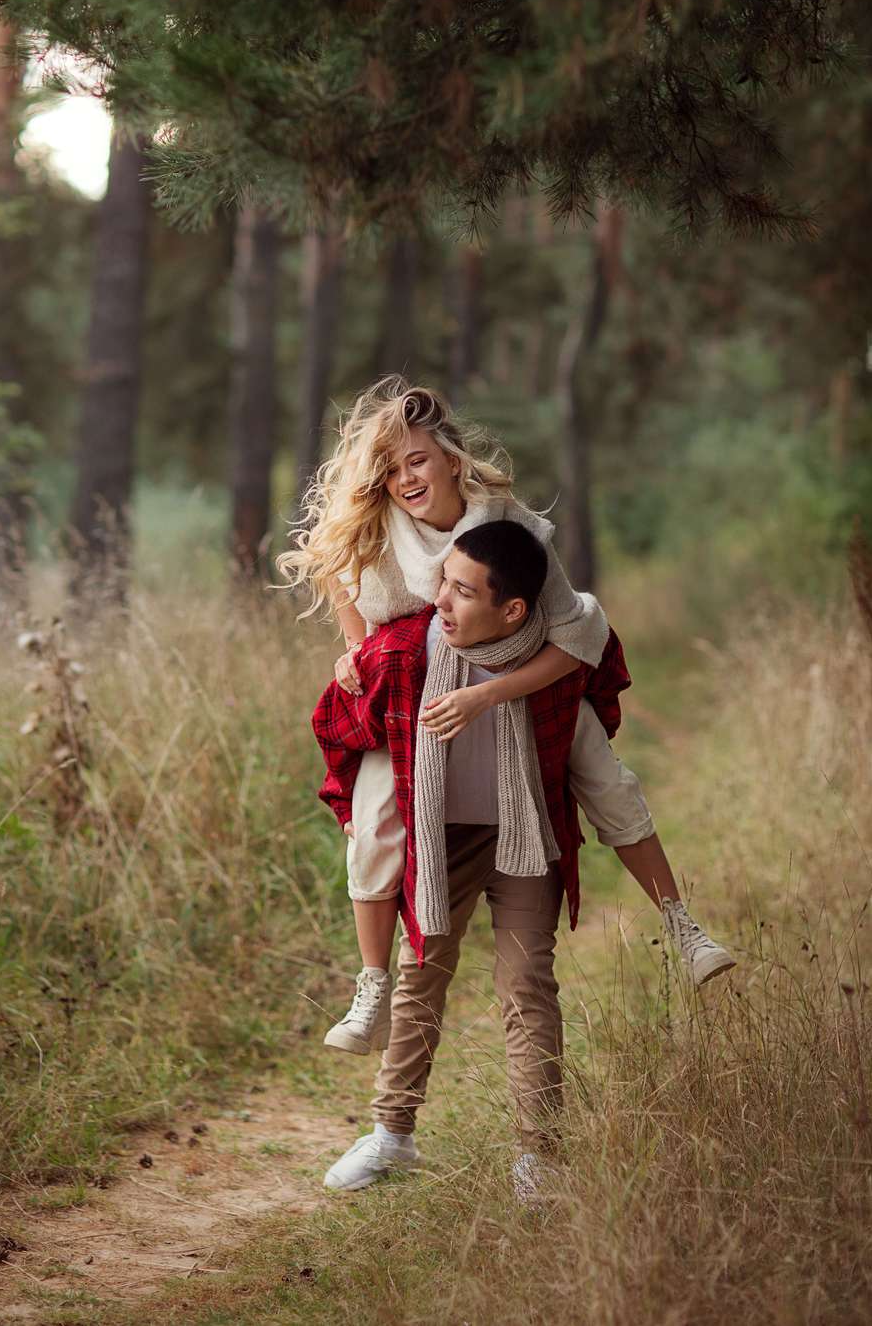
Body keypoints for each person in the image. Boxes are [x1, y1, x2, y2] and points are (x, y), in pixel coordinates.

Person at [279, 378, 733, 1055]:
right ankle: (372, 987)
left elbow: (578, 641)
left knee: (606, 779)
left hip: (520, 686)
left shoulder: (511, 529)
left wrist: (490, 693)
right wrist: (352, 655)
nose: (406, 478)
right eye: (392, 467)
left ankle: (682, 925)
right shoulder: (371, 535)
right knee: (374, 823)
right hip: (413, 705)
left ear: (452, 460)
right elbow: (343, 595)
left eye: (418, 461)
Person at [313, 521, 621, 1195]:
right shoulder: (411, 648)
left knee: (527, 985)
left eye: (462, 592)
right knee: (419, 974)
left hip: (522, 831)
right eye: (441, 582)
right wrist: (355, 816)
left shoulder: (546, 654)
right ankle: (392, 1135)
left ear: (512, 610)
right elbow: (340, 730)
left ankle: (540, 1157)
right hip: (439, 836)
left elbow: (600, 687)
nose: (442, 602)